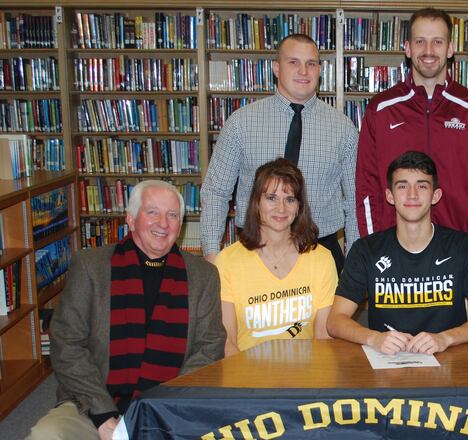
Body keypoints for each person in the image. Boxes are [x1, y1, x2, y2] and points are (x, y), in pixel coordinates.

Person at [28, 181, 226, 440]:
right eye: (152, 212)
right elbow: (67, 345)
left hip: (170, 408)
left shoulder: (204, 276)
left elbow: (210, 347)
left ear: (181, 224)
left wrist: (162, 406)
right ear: (131, 220)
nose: (163, 223)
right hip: (93, 405)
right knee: (46, 435)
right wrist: (103, 416)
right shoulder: (90, 267)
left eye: (173, 215)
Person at [201, 33, 358, 273]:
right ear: (276, 68)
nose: (303, 71)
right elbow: (216, 192)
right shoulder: (241, 123)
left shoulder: (343, 128)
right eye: (293, 62)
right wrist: (212, 257)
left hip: (320, 252)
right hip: (255, 250)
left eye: (311, 63)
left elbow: (355, 200)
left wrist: (355, 260)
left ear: (320, 69)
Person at [355, 8, 468, 260]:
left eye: (437, 41)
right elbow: (367, 190)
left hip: (458, 253)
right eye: (420, 41)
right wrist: (373, 251)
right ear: (408, 48)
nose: (429, 50)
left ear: (450, 48)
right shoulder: (380, 110)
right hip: (393, 254)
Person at [328, 151, 468, 355]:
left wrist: (445, 338)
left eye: (422, 186)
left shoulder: (464, 247)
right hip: (386, 365)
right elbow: (335, 320)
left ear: (436, 195)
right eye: (402, 186)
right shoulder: (366, 250)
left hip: (448, 364)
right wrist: (374, 338)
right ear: (390, 195)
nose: (412, 194)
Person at [215, 159, 337, 355]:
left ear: (298, 207)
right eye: (271, 198)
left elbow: (323, 338)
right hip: (248, 378)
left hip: (305, 378)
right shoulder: (227, 262)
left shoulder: (321, 259)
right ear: (256, 203)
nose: (281, 209)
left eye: (290, 199)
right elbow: (228, 342)